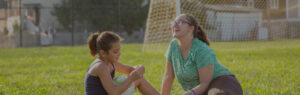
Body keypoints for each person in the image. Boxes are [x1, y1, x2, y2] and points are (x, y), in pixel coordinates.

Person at [161, 14, 243, 95]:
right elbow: (168, 77)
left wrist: (189, 93)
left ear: (191, 28)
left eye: (180, 22)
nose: (175, 24)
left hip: (223, 83)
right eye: (174, 22)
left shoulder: (201, 49)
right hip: (201, 91)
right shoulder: (173, 45)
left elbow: (205, 83)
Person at [84, 31, 160, 95]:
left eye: (119, 50)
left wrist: (141, 68)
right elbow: (114, 92)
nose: (119, 53)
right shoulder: (101, 67)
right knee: (134, 80)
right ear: (103, 53)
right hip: (113, 92)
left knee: (139, 79)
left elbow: (131, 70)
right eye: (115, 52)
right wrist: (131, 78)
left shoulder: (111, 62)